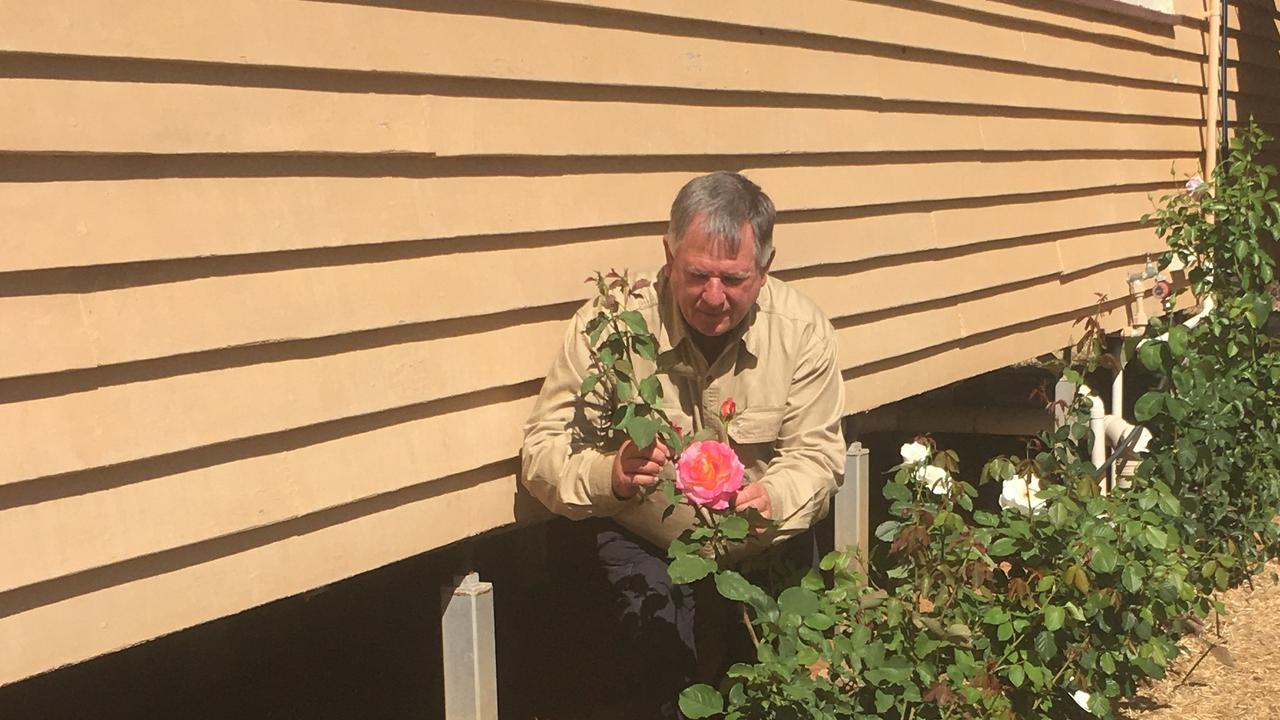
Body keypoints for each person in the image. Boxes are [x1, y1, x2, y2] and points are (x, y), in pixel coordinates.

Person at [521, 172, 846, 719]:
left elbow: (817, 455)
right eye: (696, 275)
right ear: (668, 255)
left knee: (788, 689)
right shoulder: (612, 331)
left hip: (763, 540)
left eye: (733, 279)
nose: (713, 298)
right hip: (648, 540)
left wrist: (775, 497)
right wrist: (610, 475)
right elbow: (541, 453)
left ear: (765, 269)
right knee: (661, 687)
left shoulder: (802, 332)